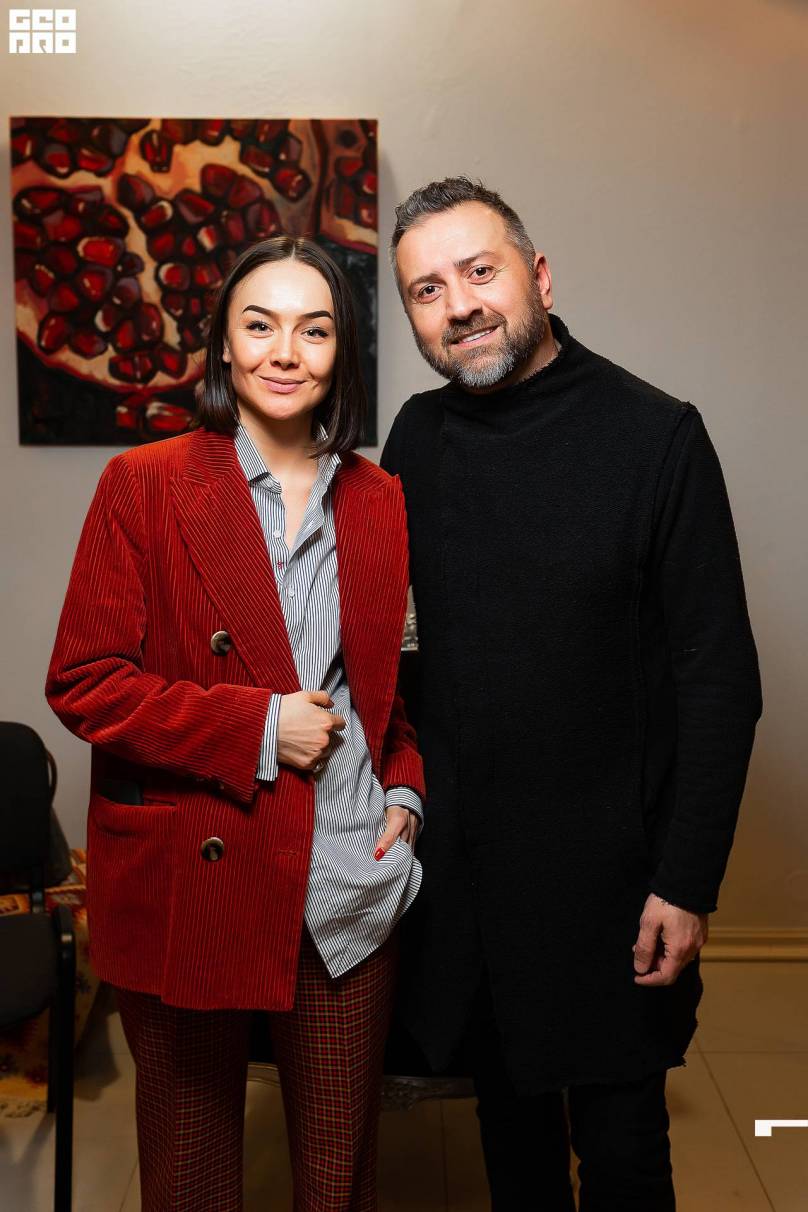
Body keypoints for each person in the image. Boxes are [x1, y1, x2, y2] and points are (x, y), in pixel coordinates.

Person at [381, 177, 762, 1211]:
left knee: (625, 1159)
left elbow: (720, 682)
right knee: (514, 1156)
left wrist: (686, 883)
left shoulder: (656, 437)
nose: (459, 305)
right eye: (426, 289)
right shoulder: (416, 439)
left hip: (614, 889)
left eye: (480, 271)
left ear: (539, 277)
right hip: (470, 888)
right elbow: (396, 653)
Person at [46, 235, 424, 1212]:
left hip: (343, 874)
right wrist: (256, 729)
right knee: (191, 1179)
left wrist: (404, 790)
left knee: (337, 1181)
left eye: (314, 329)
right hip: (194, 871)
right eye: (260, 325)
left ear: (342, 351)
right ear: (221, 344)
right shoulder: (146, 484)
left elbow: (386, 691)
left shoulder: (379, 501)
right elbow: (84, 682)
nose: (284, 352)